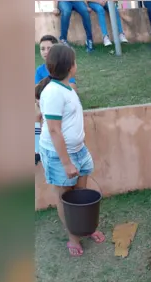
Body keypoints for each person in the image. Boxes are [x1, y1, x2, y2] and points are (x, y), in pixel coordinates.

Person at [36, 44, 106, 256]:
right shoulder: (54, 93)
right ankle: (73, 237)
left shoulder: (66, 88)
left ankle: (86, 228)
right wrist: (66, 162)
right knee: (65, 198)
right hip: (60, 155)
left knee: (80, 195)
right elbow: (54, 130)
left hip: (78, 150)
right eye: (75, 61)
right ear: (71, 66)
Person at [36, 35, 77, 165]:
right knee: (36, 113)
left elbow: (72, 88)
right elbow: (36, 91)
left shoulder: (63, 67)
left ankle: (38, 149)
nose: (46, 51)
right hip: (45, 103)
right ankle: (36, 150)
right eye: (42, 49)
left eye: (49, 48)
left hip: (57, 105)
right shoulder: (40, 70)